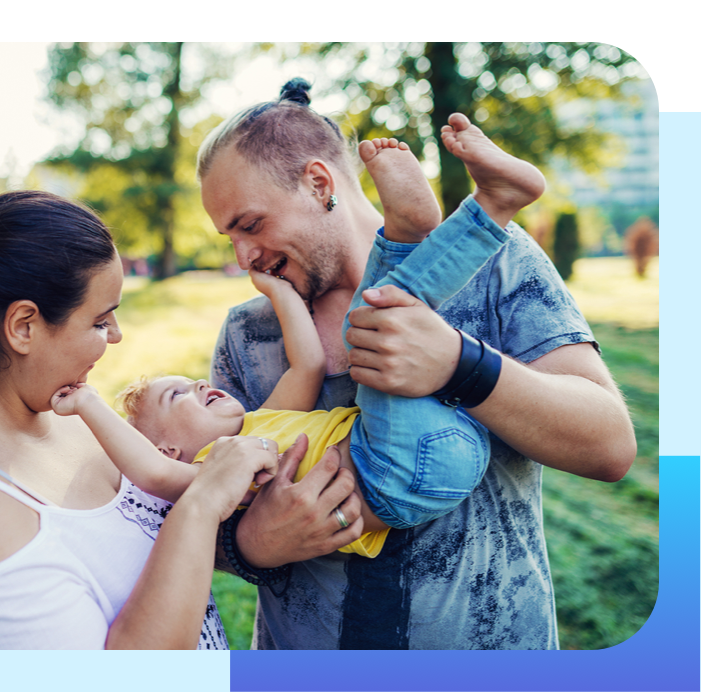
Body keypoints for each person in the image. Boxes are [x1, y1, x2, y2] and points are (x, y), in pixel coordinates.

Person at [199, 78, 636, 649]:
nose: (243, 257)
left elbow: (609, 447)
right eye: (228, 236)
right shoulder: (246, 333)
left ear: (318, 182)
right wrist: (252, 543)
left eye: (250, 225)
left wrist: (460, 364)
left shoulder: (493, 259)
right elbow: (187, 507)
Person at [51, 135, 541, 562]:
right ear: (168, 449)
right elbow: (152, 475)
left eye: (251, 224)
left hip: (437, 439)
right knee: (375, 322)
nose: (201, 383)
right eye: (178, 396)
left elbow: (308, 361)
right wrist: (89, 404)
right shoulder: (212, 472)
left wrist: (281, 295)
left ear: (320, 185)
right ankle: (437, 228)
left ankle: (446, 225)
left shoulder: (264, 426)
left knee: (374, 317)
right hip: (393, 472)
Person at [0, 190, 281, 649]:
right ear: (23, 326)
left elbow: (150, 545)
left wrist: (258, 538)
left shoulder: (69, 411)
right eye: (99, 321)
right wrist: (203, 502)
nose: (115, 336)